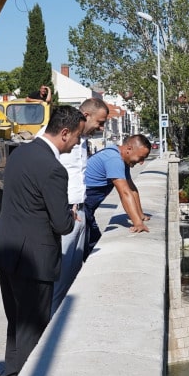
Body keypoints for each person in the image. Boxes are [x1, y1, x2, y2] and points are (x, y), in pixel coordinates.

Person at [0, 105, 85, 376]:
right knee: (33, 325)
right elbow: (60, 224)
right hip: (35, 258)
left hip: (7, 250)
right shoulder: (53, 168)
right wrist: (70, 217)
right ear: (65, 133)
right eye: (78, 136)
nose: (79, 142)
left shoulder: (20, 153)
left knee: (16, 320)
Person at [52, 97, 109, 311]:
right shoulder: (60, 138)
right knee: (60, 280)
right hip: (66, 213)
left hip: (79, 211)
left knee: (72, 277)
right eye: (100, 123)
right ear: (86, 116)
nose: (101, 128)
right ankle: (49, 328)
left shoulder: (82, 140)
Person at [81, 134, 152, 258]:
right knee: (85, 250)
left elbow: (131, 189)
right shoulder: (114, 159)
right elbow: (124, 193)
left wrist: (140, 215)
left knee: (93, 245)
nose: (141, 163)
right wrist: (137, 223)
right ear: (129, 149)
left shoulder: (122, 159)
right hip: (80, 207)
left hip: (88, 209)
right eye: (141, 158)